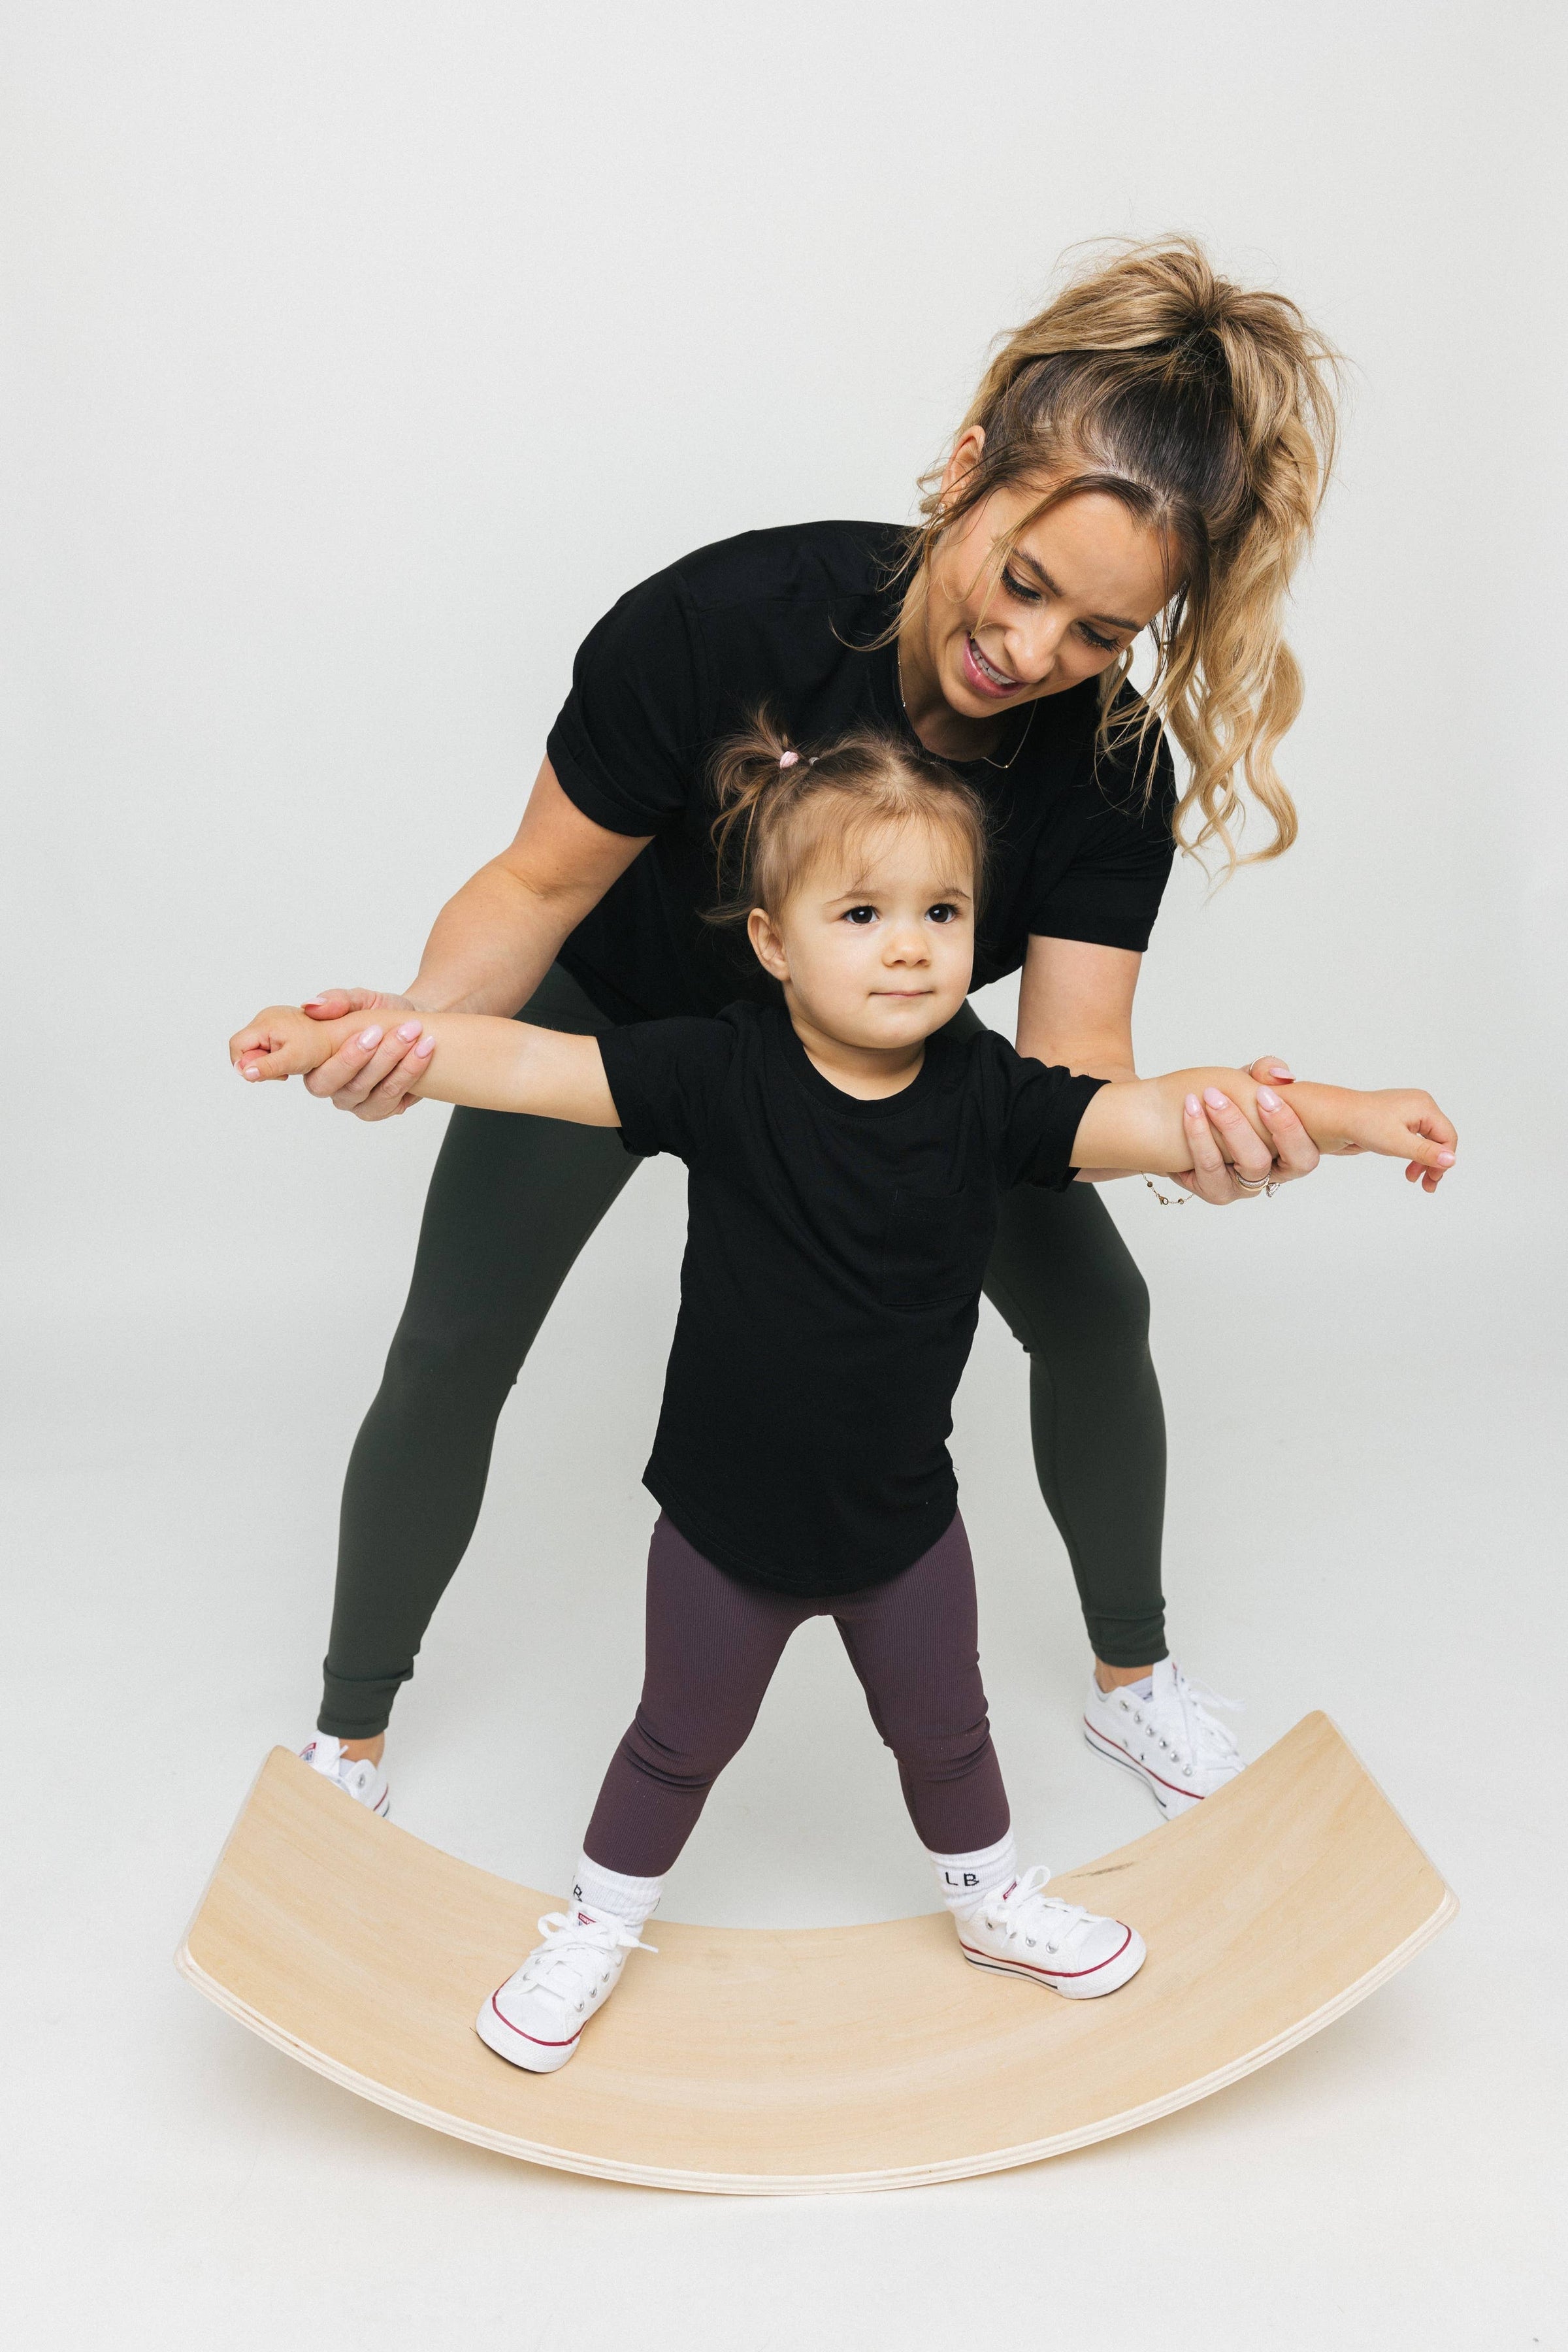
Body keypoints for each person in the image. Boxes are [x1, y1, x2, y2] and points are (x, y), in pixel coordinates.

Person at [233, 236, 1345, 1823]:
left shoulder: (1105, 764)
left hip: (898, 1061)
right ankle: (346, 1740)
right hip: (626, 1011)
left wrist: (1193, 1149)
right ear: (968, 473)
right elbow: (539, 884)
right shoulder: (720, 619)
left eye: (1101, 635)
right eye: (1024, 584)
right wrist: (415, 1033)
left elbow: (1076, 1072)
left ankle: (1136, 1687)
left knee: (1096, 1312)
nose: (1036, 655)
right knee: (457, 1336)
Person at [233, 724, 1456, 2072]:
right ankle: (594, 1924)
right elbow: (529, 1069)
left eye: (942, 913)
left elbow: (1161, 1117)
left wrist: (1352, 1114)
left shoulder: (986, 1092)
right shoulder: (715, 1068)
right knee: (673, 1748)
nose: (910, 945)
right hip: (723, 1529)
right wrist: (358, 1036)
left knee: (947, 1735)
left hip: (903, 1529)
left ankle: (990, 1901)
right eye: (862, 914)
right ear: (774, 942)